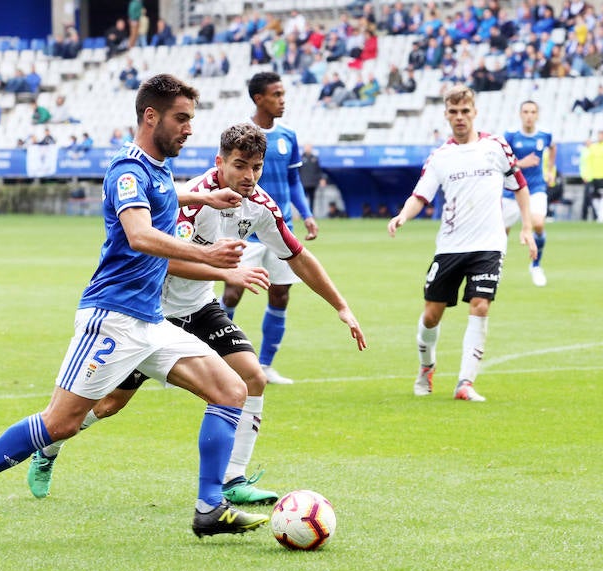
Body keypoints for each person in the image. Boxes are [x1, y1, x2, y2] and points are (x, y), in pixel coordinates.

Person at [0, 74, 270, 546]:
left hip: (149, 321)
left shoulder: (157, 169)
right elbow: (139, 235)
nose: (189, 129)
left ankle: (210, 507)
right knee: (60, 422)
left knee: (231, 389)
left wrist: (202, 197)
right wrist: (209, 257)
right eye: (181, 118)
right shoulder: (127, 169)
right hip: (112, 316)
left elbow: (162, 196)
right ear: (151, 116)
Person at [25, 122, 367, 503]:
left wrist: (341, 306)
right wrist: (226, 272)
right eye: (240, 165)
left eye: (256, 167)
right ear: (220, 162)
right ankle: (48, 449)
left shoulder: (261, 206)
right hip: (151, 313)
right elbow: (165, 259)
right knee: (108, 404)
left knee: (252, 377)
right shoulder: (194, 199)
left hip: (201, 308)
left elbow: (298, 256)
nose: (249, 176)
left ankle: (233, 480)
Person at [387, 85, 537, 402]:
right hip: (451, 246)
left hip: (489, 245)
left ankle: (465, 383)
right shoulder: (440, 157)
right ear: (446, 115)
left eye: (465, 111)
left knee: (480, 305)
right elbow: (420, 196)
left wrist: (526, 227)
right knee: (432, 314)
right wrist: (402, 216)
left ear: (475, 112)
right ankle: (426, 366)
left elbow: (520, 187)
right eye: (453, 112)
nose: (459, 117)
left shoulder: (496, 147)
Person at [220, 72, 319, 385]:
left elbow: (293, 181)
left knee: (280, 295)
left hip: (280, 227)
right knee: (232, 291)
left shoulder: (288, 136)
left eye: (283, 94)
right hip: (244, 228)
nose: (282, 100)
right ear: (258, 98)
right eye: (276, 94)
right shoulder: (240, 137)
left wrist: (306, 214)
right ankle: (217, 357)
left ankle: (265, 365)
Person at [501, 100, 553, 287]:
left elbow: (553, 147)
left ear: (537, 115)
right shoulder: (511, 136)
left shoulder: (545, 135)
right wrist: (521, 164)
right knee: (501, 232)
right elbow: (502, 162)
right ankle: (494, 267)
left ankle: (536, 265)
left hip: (536, 188)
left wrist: (549, 169)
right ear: (520, 114)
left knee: (538, 223)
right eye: (525, 111)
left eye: (532, 112)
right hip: (512, 189)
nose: (529, 115)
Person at [300, 143, 324, 211]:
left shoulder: (315, 158)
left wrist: (322, 179)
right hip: (303, 183)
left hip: (313, 183)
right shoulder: (300, 158)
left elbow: (318, 170)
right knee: (302, 199)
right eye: (306, 147)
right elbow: (297, 171)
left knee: (312, 198)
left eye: (309, 147)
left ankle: (310, 213)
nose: (308, 149)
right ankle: (303, 213)